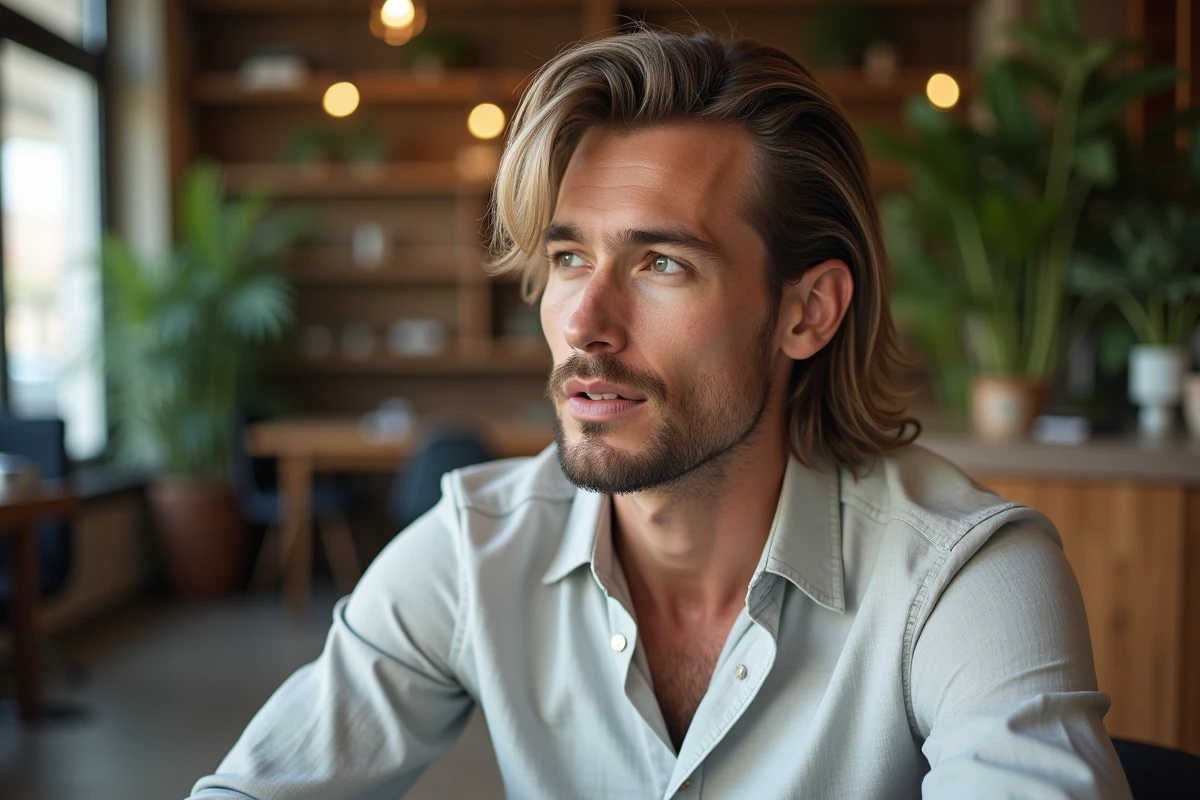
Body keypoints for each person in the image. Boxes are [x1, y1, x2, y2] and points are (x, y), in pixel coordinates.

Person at [189, 29, 1130, 800]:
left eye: (661, 264)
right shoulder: (478, 551)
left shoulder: (963, 579)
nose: (584, 324)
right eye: (567, 258)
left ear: (807, 312)